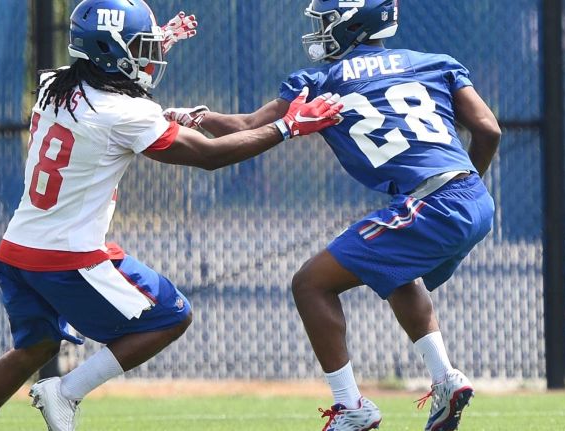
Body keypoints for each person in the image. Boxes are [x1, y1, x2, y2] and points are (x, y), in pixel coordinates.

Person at [0, 0, 343, 430]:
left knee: (35, 347)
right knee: (173, 314)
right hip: (68, 257)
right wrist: (288, 126)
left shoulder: (54, 84)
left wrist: (159, 42)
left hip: (18, 248)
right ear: (109, 54)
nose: (150, 57)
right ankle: (66, 391)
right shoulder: (124, 113)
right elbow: (209, 156)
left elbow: (113, 92)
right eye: (141, 47)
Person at [165, 1, 501, 430]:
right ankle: (445, 378)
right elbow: (488, 129)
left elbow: (248, 125)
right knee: (397, 271)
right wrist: (465, 185)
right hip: (472, 196)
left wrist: (199, 116)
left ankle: (351, 407)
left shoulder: (323, 80)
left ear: (353, 24)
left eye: (326, 23)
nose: (320, 32)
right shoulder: (436, 62)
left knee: (310, 284)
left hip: (430, 202)